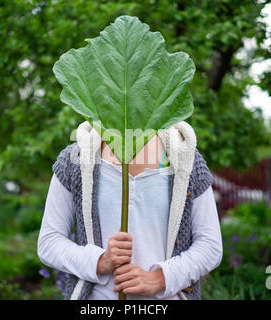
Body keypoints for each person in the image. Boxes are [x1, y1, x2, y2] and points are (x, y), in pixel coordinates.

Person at [37, 120, 223, 300]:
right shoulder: (75, 160)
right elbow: (49, 242)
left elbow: (210, 246)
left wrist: (161, 279)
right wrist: (100, 262)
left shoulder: (186, 159)